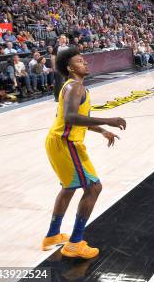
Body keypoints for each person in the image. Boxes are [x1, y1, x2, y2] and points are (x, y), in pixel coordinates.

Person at [42, 47, 126, 259]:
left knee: (69, 188)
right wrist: (108, 119)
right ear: (70, 68)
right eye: (80, 61)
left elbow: (73, 118)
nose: (85, 63)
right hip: (66, 143)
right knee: (94, 188)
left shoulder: (73, 87)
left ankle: (52, 235)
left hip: (59, 141)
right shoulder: (74, 88)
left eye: (84, 60)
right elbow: (70, 118)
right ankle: (75, 243)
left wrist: (102, 130)